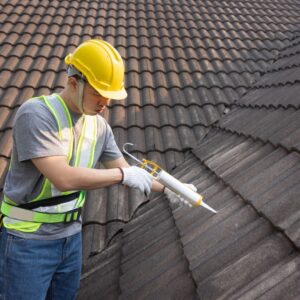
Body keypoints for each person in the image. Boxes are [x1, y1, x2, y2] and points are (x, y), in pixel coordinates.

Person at [0, 39, 195, 300]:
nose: (105, 103)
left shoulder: (99, 126)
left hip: (70, 241)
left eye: (109, 96)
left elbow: (127, 170)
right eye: (98, 93)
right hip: (28, 242)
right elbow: (63, 177)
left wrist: (175, 189)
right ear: (73, 83)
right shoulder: (37, 115)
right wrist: (124, 175)